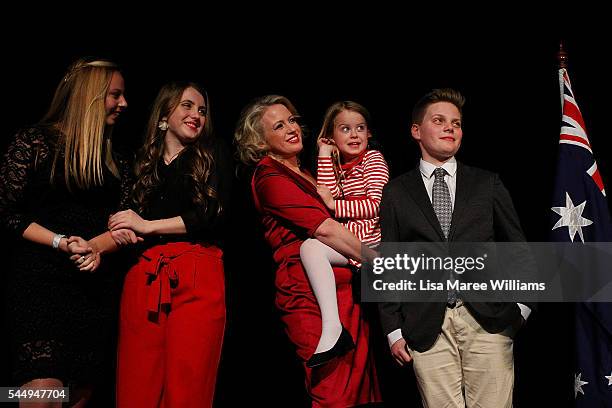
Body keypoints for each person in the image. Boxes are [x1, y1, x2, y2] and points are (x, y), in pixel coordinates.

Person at [378, 88, 533, 407]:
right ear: (416, 131)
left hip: (488, 320)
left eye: (457, 123)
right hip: (425, 324)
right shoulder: (395, 192)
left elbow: (518, 248)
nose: (450, 127)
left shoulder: (486, 183)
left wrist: (522, 307)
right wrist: (393, 329)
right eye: (439, 120)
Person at [234, 95, 381, 407]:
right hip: (306, 291)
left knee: (359, 391)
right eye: (279, 125)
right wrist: (379, 261)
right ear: (261, 141)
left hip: (344, 288)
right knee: (333, 392)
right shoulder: (269, 175)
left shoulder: (306, 173)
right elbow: (325, 228)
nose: (291, 128)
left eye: (292, 120)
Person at [0, 57, 130, 406]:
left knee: (76, 395)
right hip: (40, 285)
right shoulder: (34, 141)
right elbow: (8, 214)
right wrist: (60, 242)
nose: (124, 103)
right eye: (115, 95)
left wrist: (95, 247)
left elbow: (127, 224)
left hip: (91, 292)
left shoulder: (115, 160)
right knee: (41, 393)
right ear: (90, 96)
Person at [111, 81, 231, 408]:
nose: (196, 115)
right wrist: (96, 243)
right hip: (145, 276)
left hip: (196, 273)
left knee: (188, 386)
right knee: (138, 384)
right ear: (165, 112)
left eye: (202, 110)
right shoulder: (139, 161)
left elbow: (212, 213)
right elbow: (124, 220)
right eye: (187, 106)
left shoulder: (213, 153)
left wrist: (146, 225)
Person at [300, 101, 389, 367]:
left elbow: (376, 204)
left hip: (373, 241)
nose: (354, 135)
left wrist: (335, 205)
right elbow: (325, 194)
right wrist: (324, 154)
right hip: (349, 242)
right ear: (332, 135)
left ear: (369, 133)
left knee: (312, 247)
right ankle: (333, 327)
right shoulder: (338, 167)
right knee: (310, 247)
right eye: (345, 129)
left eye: (360, 128)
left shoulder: (373, 160)